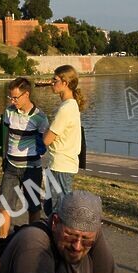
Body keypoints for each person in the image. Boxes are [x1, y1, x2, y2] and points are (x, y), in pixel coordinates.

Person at [0, 77, 49, 239]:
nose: (13, 101)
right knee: (4, 207)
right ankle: (3, 242)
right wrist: (4, 156)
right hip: (11, 167)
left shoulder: (40, 118)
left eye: (15, 97)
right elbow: (6, 137)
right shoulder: (9, 112)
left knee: (33, 207)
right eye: (10, 97)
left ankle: (33, 240)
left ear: (26, 95)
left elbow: (44, 144)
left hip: (31, 169)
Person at [41, 65, 83, 214]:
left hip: (61, 166)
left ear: (65, 83)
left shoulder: (66, 108)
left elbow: (47, 139)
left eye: (55, 80)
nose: (52, 83)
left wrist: (44, 129)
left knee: (58, 211)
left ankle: (58, 237)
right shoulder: (69, 105)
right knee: (52, 208)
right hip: (60, 164)